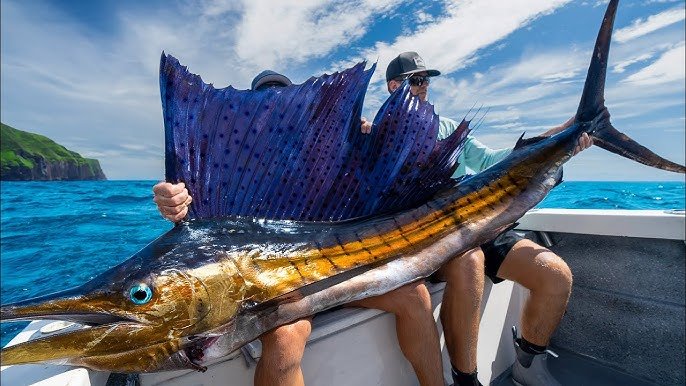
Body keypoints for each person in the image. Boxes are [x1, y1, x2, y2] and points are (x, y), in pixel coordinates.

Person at [153, 70, 445, 386]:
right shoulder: (234, 165)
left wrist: (368, 142)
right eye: (266, 103)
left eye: (285, 101)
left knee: (415, 297)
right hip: (280, 290)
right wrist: (174, 203)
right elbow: (198, 226)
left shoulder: (325, 152)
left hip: (340, 273)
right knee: (284, 341)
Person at [364, 52, 593, 386]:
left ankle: (528, 366)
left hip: (480, 222)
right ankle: (466, 378)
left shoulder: (445, 128)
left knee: (555, 276)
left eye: (426, 80)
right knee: (469, 261)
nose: (423, 87)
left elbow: (494, 160)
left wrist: (566, 135)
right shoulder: (375, 136)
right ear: (393, 86)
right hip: (429, 238)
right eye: (415, 81)